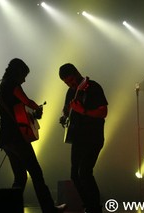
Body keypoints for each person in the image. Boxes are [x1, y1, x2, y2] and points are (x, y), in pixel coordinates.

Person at [0, 58, 66, 213]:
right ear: (17, 73)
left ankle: (10, 208)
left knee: (20, 177)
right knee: (36, 173)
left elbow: (18, 112)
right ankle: (49, 209)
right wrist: (37, 108)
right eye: (24, 75)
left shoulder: (3, 87)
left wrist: (33, 113)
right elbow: (27, 101)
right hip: (17, 138)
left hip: (6, 139)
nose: (24, 79)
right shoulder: (12, 85)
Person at [58, 63, 108, 213]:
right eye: (66, 82)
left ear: (77, 73)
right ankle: (88, 206)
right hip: (77, 138)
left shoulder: (93, 87)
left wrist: (83, 111)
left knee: (85, 172)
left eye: (71, 80)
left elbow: (103, 112)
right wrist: (65, 115)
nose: (70, 84)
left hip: (93, 137)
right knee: (75, 175)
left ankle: (95, 208)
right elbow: (68, 111)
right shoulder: (70, 92)